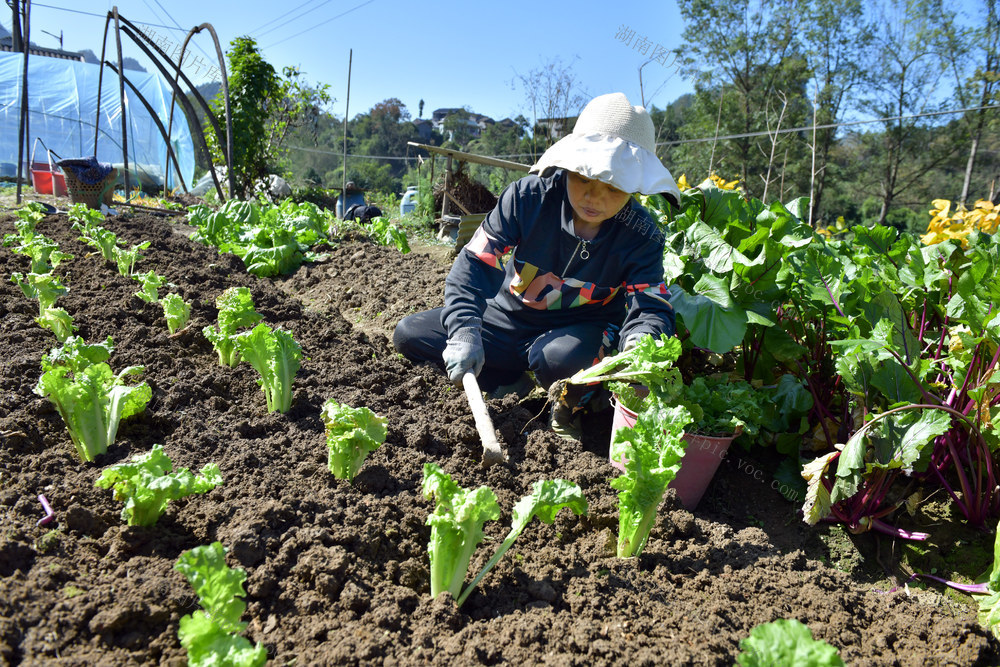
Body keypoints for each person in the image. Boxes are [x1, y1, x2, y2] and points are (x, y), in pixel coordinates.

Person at [392, 92, 680, 439]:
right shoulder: (529, 198)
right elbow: (474, 264)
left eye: (613, 187)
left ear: (634, 186)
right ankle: (508, 377)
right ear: (570, 165)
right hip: (507, 318)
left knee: (562, 361)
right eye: (584, 178)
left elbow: (650, 306)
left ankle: (573, 403)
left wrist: (639, 348)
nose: (594, 197)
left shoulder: (641, 234)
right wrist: (466, 330)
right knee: (411, 335)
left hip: (578, 332)